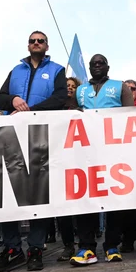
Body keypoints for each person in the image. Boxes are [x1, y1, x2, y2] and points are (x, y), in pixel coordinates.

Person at [0, 31, 67, 272]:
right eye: (33, 40)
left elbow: (60, 98)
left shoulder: (56, 69)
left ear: (46, 46)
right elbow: (0, 98)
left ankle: (35, 248)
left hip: (39, 139)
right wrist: (13, 99)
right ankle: (13, 248)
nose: (36, 43)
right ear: (28, 45)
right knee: (8, 194)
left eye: (41, 41)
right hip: (11, 140)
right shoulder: (16, 71)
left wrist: (30, 111)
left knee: (38, 194)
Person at [69, 54, 136, 266]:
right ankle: (87, 247)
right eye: (93, 64)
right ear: (90, 68)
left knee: (115, 200)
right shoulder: (80, 90)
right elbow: (71, 116)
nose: (97, 66)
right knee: (85, 198)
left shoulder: (120, 87)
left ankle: (111, 246)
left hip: (114, 152)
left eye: (101, 63)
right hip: (87, 153)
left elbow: (130, 115)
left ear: (107, 66)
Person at [56, 76, 82, 262]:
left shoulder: (83, 107)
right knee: (62, 208)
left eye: (73, 86)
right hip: (60, 162)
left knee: (81, 207)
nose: (70, 88)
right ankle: (68, 245)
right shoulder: (54, 107)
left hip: (80, 161)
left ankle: (84, 243)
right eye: (67, 86)